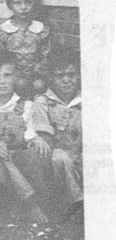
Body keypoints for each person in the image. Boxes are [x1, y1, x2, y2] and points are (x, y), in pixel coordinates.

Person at [0, 50, 50, 224]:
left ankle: (25, 202)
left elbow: (29, 137)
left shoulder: (26, 105)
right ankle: (30, 204)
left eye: (7, 75)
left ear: (16, 77)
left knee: (33, 154)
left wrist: (36, 139)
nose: (2, 81)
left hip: (17, 159)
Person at [31, 47, 82, 215]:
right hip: (58, 164)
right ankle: (76, 203)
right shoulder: (43, 102)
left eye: (71, 75)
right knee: (59, 157)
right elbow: (46, 141)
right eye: (60, 76)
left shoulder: (86, 100)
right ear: (51, 78)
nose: (67, 80)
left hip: (82, 157)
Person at [0, 0, 51, 97]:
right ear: (10, 5)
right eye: (17, 3)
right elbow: (2, 57)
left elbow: (45, 53)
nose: (23, 7)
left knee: (39, 85)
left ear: (34, 4)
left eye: (28, 2)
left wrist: (39, 67)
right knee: (20, 83)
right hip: (13, 74)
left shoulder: (40, 29)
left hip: (36, 74)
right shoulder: (4, 30)